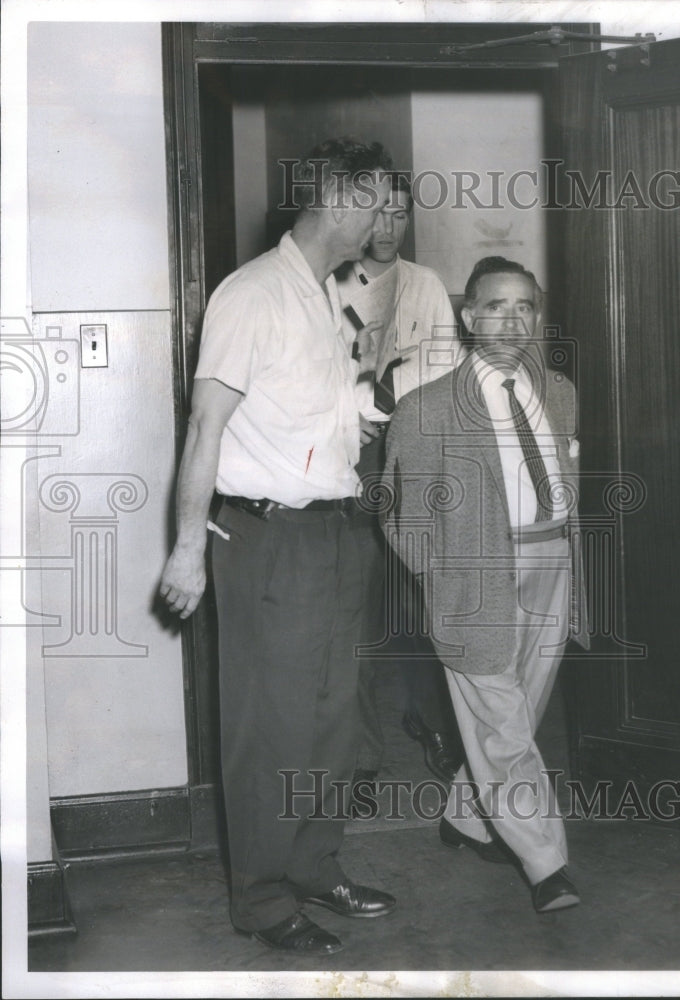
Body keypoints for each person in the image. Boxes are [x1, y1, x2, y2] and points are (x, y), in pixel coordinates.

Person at [159, 138, 399, 956]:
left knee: (332, 722)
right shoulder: (252, 294)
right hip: (268, 539)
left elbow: (321, 418)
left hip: (335, 534)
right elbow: (206, 425)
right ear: (335, 191)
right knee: (271, 727)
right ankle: (261, 899)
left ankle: (313, 864)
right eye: (376, 197)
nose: (385, 215)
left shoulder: (331, 298)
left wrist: (370, 394)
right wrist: (188, 548)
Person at [380, 256, 590, 914]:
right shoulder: (424, 410)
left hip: (551, 563)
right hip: (475, 583)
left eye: (524, 307)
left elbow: (565, 477)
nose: (511, 320)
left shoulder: (558, 391)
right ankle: (546, 863)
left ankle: (466, 817)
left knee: (517, 715)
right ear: (469, 318)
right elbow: (398, 515)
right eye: (496, 306)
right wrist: (443, 580)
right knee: (502, 726)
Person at [335, 174, 464, 794]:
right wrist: (357, 406)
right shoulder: (327, 282)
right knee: (354, 607)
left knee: (420, 596)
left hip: (410, 451)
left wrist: (375, 397)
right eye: (378, 215)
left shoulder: (427, 285)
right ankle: (359, 755)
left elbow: (439, 373)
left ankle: (429, 719)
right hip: (345, 459)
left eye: (400, 215)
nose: (388, 229)